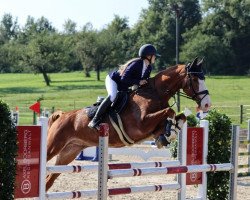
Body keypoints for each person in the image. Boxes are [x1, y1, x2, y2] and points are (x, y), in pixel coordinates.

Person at [88, 44, 161, 129]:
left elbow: (143, 82)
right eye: (154, 56)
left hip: (124, 85)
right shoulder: (136, 64)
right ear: (148, 56)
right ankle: (94, 119)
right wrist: (138, 81)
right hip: (114, 80)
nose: (155, 58)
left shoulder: (148, 68)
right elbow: (124, 79)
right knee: (112, 96)